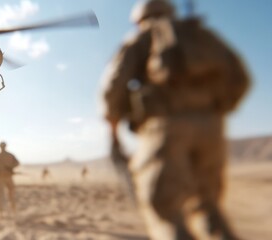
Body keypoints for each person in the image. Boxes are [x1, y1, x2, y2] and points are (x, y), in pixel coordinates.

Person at [102, 0, 250, 239]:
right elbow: (241, 78)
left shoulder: (142, 38)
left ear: (140, 18)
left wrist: (112, 122)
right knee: (207, 208)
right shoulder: (203, 36)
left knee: (165, 211)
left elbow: (112, 86)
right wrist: (215, 110)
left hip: (165, 128)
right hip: (212, 129)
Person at [0, 141, 20, 218]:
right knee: (7, 195)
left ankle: (4, 213)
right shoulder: (5, 156)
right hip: (4, 178)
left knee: (3, 195)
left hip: (4, 178)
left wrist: (10, 167)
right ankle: (9, 212)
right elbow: (17, 163)